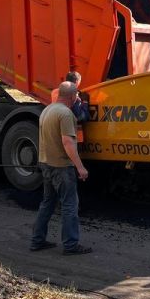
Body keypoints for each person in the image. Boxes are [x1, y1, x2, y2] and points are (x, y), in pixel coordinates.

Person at [30, 81, 92, 254]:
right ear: (72, 96)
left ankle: (37, 241)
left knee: (47, 203)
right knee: (70, 205)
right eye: (77, 95)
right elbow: (68, 142)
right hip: (61, 166)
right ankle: (71, 245)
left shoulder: (47, 110)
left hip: (46, 164)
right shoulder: (65, 114)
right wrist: (80, 167)